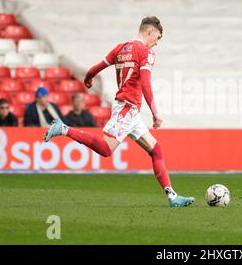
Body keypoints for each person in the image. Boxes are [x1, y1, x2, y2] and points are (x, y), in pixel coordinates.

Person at [43, 16, 194, 208]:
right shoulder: (146, 52)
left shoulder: (121, 48)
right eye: (157, 37)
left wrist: (88, 79)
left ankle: (172, 197)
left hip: (130, 110)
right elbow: (146, 84)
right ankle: (63, 129)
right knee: (106, 149)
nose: (157, 43)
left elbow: (95, 68)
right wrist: (155, 112)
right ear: (150, 32)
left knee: (156, 150)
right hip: (126, 108)